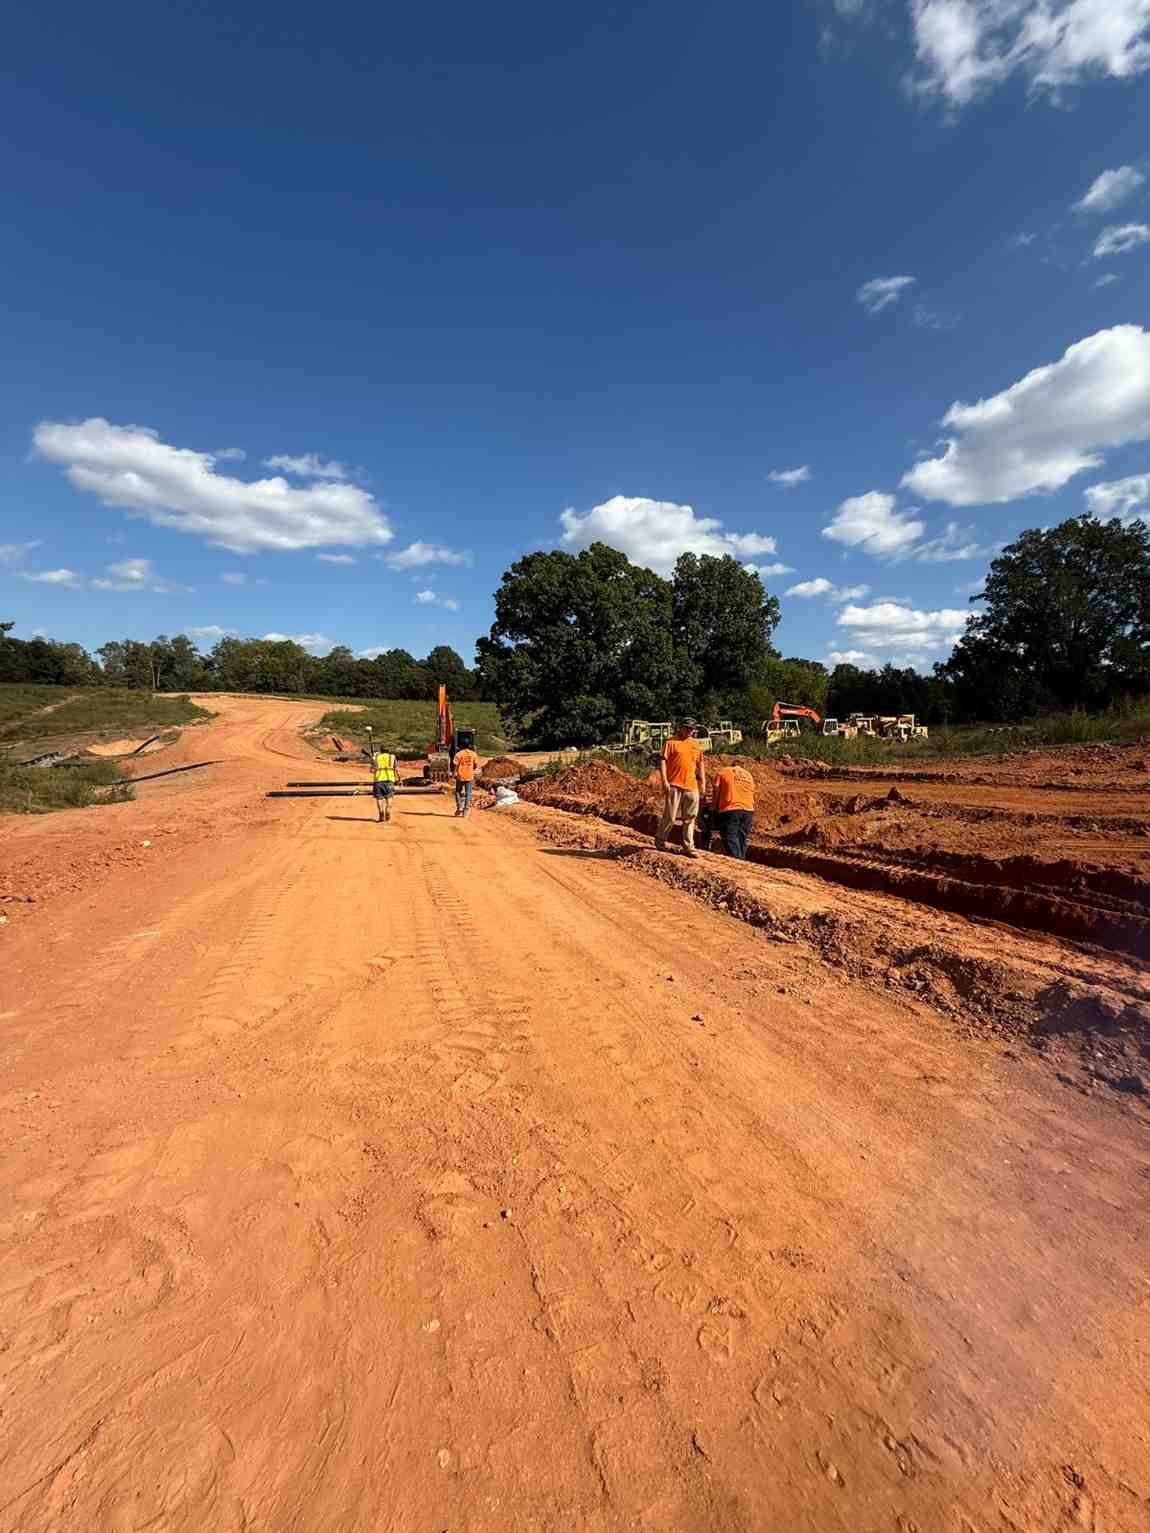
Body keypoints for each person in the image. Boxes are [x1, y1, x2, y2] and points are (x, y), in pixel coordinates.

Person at [655, 719, 706, 858]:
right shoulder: (670, 742)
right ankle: (660, 840)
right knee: (670, 816)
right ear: (681, 728)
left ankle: (688, 846)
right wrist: (664, 780)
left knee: (690, 817)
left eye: (691, 729)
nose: (689, 731)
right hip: (674, 785)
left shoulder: (696, 745)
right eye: (687, 728)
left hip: (691, 786)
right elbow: (663, 762)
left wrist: (703, 782)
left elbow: (700, 764)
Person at [711, 760, 755, 859]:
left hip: (731, 808)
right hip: (748, 809)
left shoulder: (723, 771)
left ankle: (736, 860)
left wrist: (714, 807)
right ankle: (741, 859)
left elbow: (716, 788)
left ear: (732, 765)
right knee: (741, 837)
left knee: (729, 835)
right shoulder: (748, 775)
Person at [371, 745, 398, 823]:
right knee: (389, 797)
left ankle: (381, 812)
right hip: (390, 780)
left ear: (381, 750)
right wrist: (398, 778)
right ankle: (388, 809)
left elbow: (371, 770)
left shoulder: (376, 757)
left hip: (378, 780)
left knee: (379, 798)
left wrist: (373, 760)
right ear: (388, 750)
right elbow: (396, 769)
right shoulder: (392, 757)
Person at [452, 742, 480, 816]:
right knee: (468, 793)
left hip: (460, 776)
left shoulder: (459, 754)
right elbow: (476, 765)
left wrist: (453, 774)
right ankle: (466, 811)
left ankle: (459, 807)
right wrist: (471, 769)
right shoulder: (473, 754)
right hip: (470, 776)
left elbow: (455, 765)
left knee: (458, 791)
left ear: (461, 746)